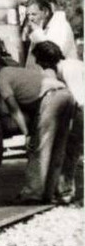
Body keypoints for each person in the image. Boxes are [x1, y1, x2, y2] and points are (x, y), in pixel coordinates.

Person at [0, 52, 71, 204]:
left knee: (38, 149)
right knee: (58, 148)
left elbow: (13, 109)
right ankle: (56, 193)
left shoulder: (0, 78)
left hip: (50, 98)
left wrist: (27, 134)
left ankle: (32, 194)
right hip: (66, 94)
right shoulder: (17, 71)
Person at [25, 40, 80, 205]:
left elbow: (75, 95)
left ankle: (44, 192)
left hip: (78, 107)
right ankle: (63, 192)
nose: (39, 66)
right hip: (77, 106)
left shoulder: (66, 70)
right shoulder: (73, 64)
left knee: (57, 149)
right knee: (69, 152)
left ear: (45, 61)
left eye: (39, 62)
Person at [25, 0, 78, 68]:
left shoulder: (61, 26)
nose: (30, 18)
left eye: (34, 14)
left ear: (46, 12)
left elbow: (53, 56)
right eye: (28, 15)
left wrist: (37, 33)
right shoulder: (41, 28)